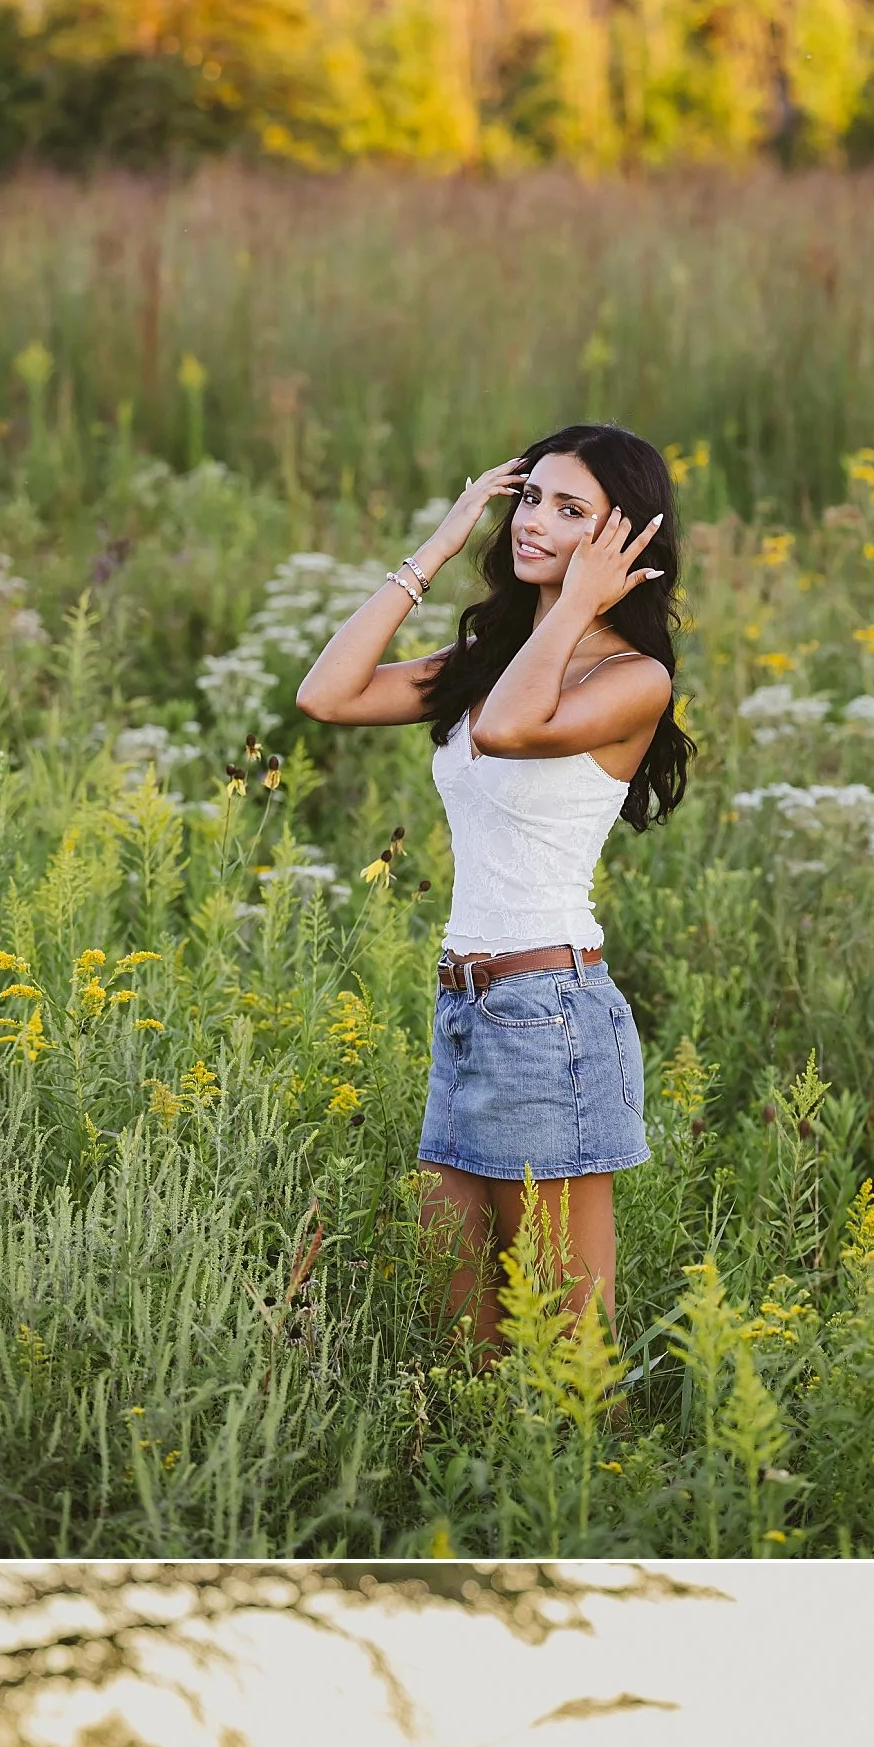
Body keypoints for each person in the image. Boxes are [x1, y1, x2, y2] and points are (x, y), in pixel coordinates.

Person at [294, 422, 694, 1351]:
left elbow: (515, 729)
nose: (533, 521)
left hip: (549, 1015)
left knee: (568, 1350)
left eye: (570, 509)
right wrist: (437, 545)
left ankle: (605, 1495)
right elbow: (328, 695)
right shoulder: (492, 667)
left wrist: (578, 601)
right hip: (467, 1012)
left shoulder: (634, 678)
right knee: (466, 1337)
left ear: (623, 540)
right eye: (529, 498)